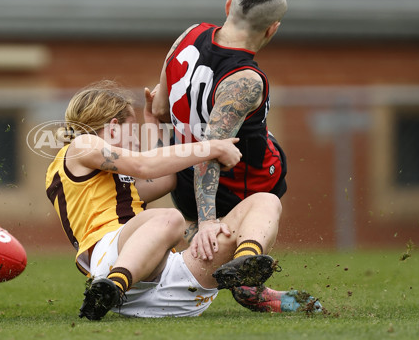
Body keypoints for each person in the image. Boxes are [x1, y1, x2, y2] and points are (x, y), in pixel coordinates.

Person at [45, 80, 316, 320]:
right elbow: (143, 166)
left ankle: (246, 270)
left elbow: (164, 178)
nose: (136, 138)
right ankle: (112, 286)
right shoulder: (81, 145)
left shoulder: (109, 180)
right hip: (112, 265)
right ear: (114, 127)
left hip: (166, 287)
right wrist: (212, 146)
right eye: (134, 129)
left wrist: (153, 122)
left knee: (266, 201)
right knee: (170, 217)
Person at [151, 0, 320, 312]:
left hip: (186, 181)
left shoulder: (189, 35)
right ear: (272, 28)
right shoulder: (245, 79)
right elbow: (210, 153)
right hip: (239, 187)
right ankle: (247, 270)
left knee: (202, 238)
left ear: (228, 7)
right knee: (266, 205)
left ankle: (241, 278)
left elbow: (159, 107)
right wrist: (210, 220)